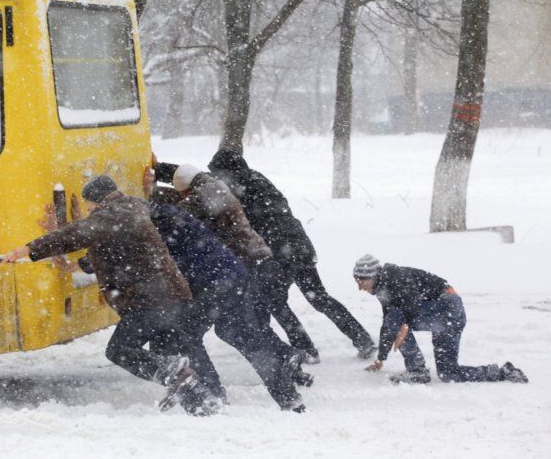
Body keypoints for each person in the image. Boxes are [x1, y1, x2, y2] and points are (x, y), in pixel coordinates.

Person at [2, 176, 221, 415]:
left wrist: (30, 249)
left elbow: (79, 233)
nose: (88, 210)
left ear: (98, 200)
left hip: (151, 300)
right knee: (169, 353)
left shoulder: (115, 214)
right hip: (166, 295)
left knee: (119, 350)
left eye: (89, 205)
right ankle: (203, 405)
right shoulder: (129, 207)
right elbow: (108, 245)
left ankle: (182, 379)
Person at [155, 164, 313, 377]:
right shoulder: (209, 184)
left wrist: (147, 203)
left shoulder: (207, 193)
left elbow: (181, 211)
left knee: (235, 326)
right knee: (240, 326)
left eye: (182, 193)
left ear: (187, 190)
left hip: (246, 265)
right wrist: (157, 173)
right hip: (247, 265)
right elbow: (182, 190)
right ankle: (287, 360)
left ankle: (285, 359)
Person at [354, 254, 529, 384]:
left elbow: (410, 303)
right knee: (448, 373)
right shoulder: (384, 288)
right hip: (448, 316)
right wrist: (381, 358)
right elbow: (388, 324)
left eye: (360, 282)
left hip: (447, 307)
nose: (360, 288)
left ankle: (417, 370)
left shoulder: (396, 277)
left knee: (396, 319)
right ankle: (502, 373)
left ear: (370, 275)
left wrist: (405, 325)